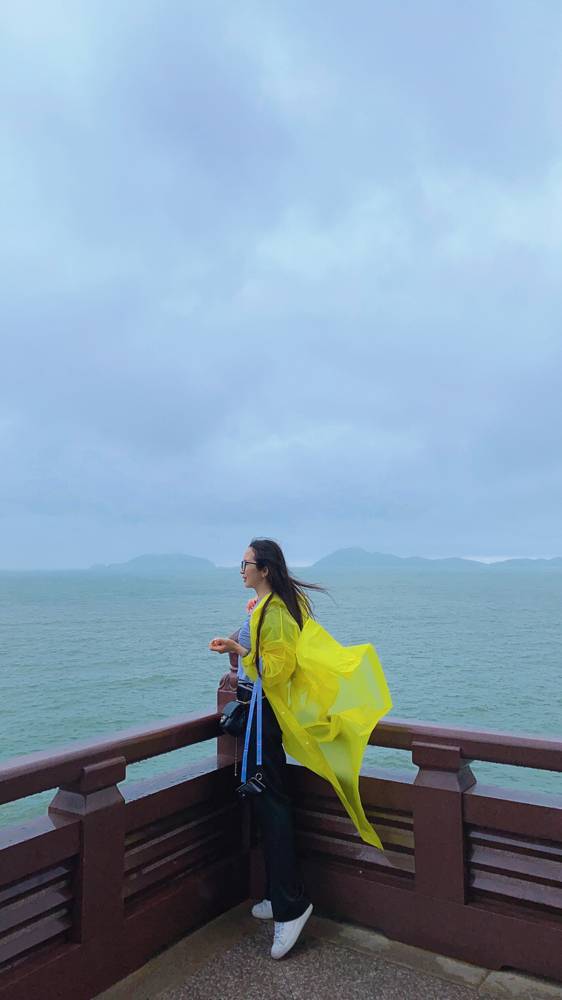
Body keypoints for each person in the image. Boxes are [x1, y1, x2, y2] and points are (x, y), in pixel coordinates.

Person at [209, 538, 392, 960]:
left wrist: (238, 650)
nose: (241, 569)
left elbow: (278, 669)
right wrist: (245, 634)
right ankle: (278, 896)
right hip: (259, 716)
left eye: (246, 563)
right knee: (265, 804)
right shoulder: (266, 607)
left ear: (265, 569)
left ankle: (292, 907)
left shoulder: (275, 612)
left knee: (272, 808)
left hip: (265, 719)